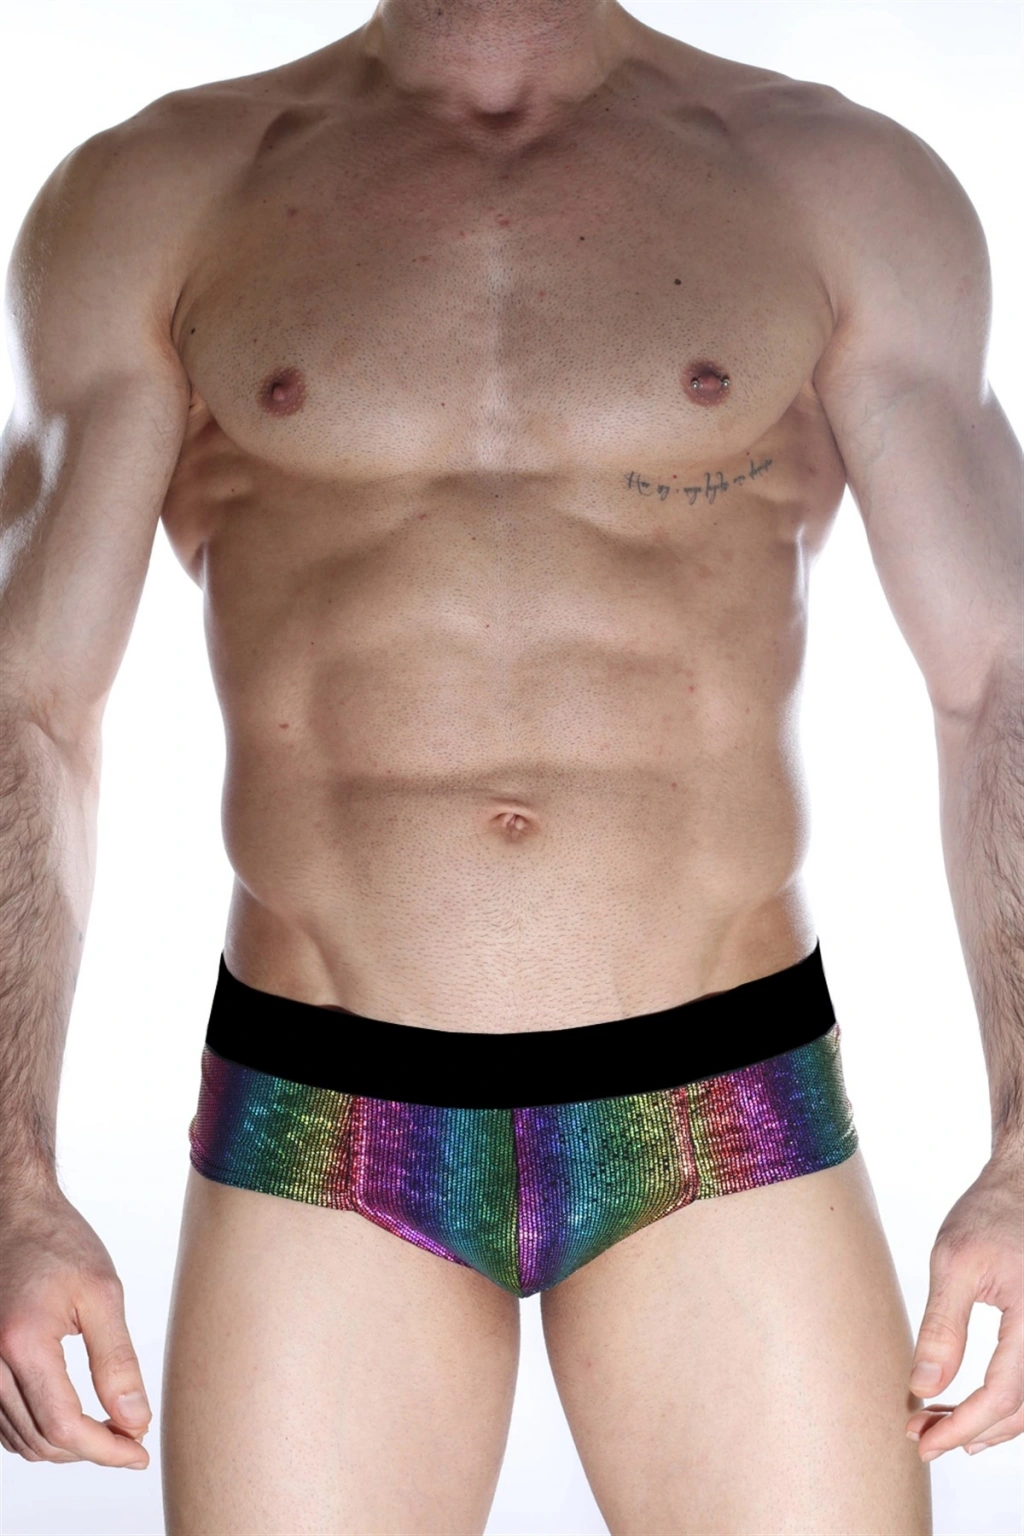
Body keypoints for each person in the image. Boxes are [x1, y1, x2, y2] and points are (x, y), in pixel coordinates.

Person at [1, 1, 1021, 1531]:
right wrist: (9, 1176)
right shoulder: (160, 190)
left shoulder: (836, 179)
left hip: (721, 1103)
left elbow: (999, 681)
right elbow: (29, 707)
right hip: (324, 1115)